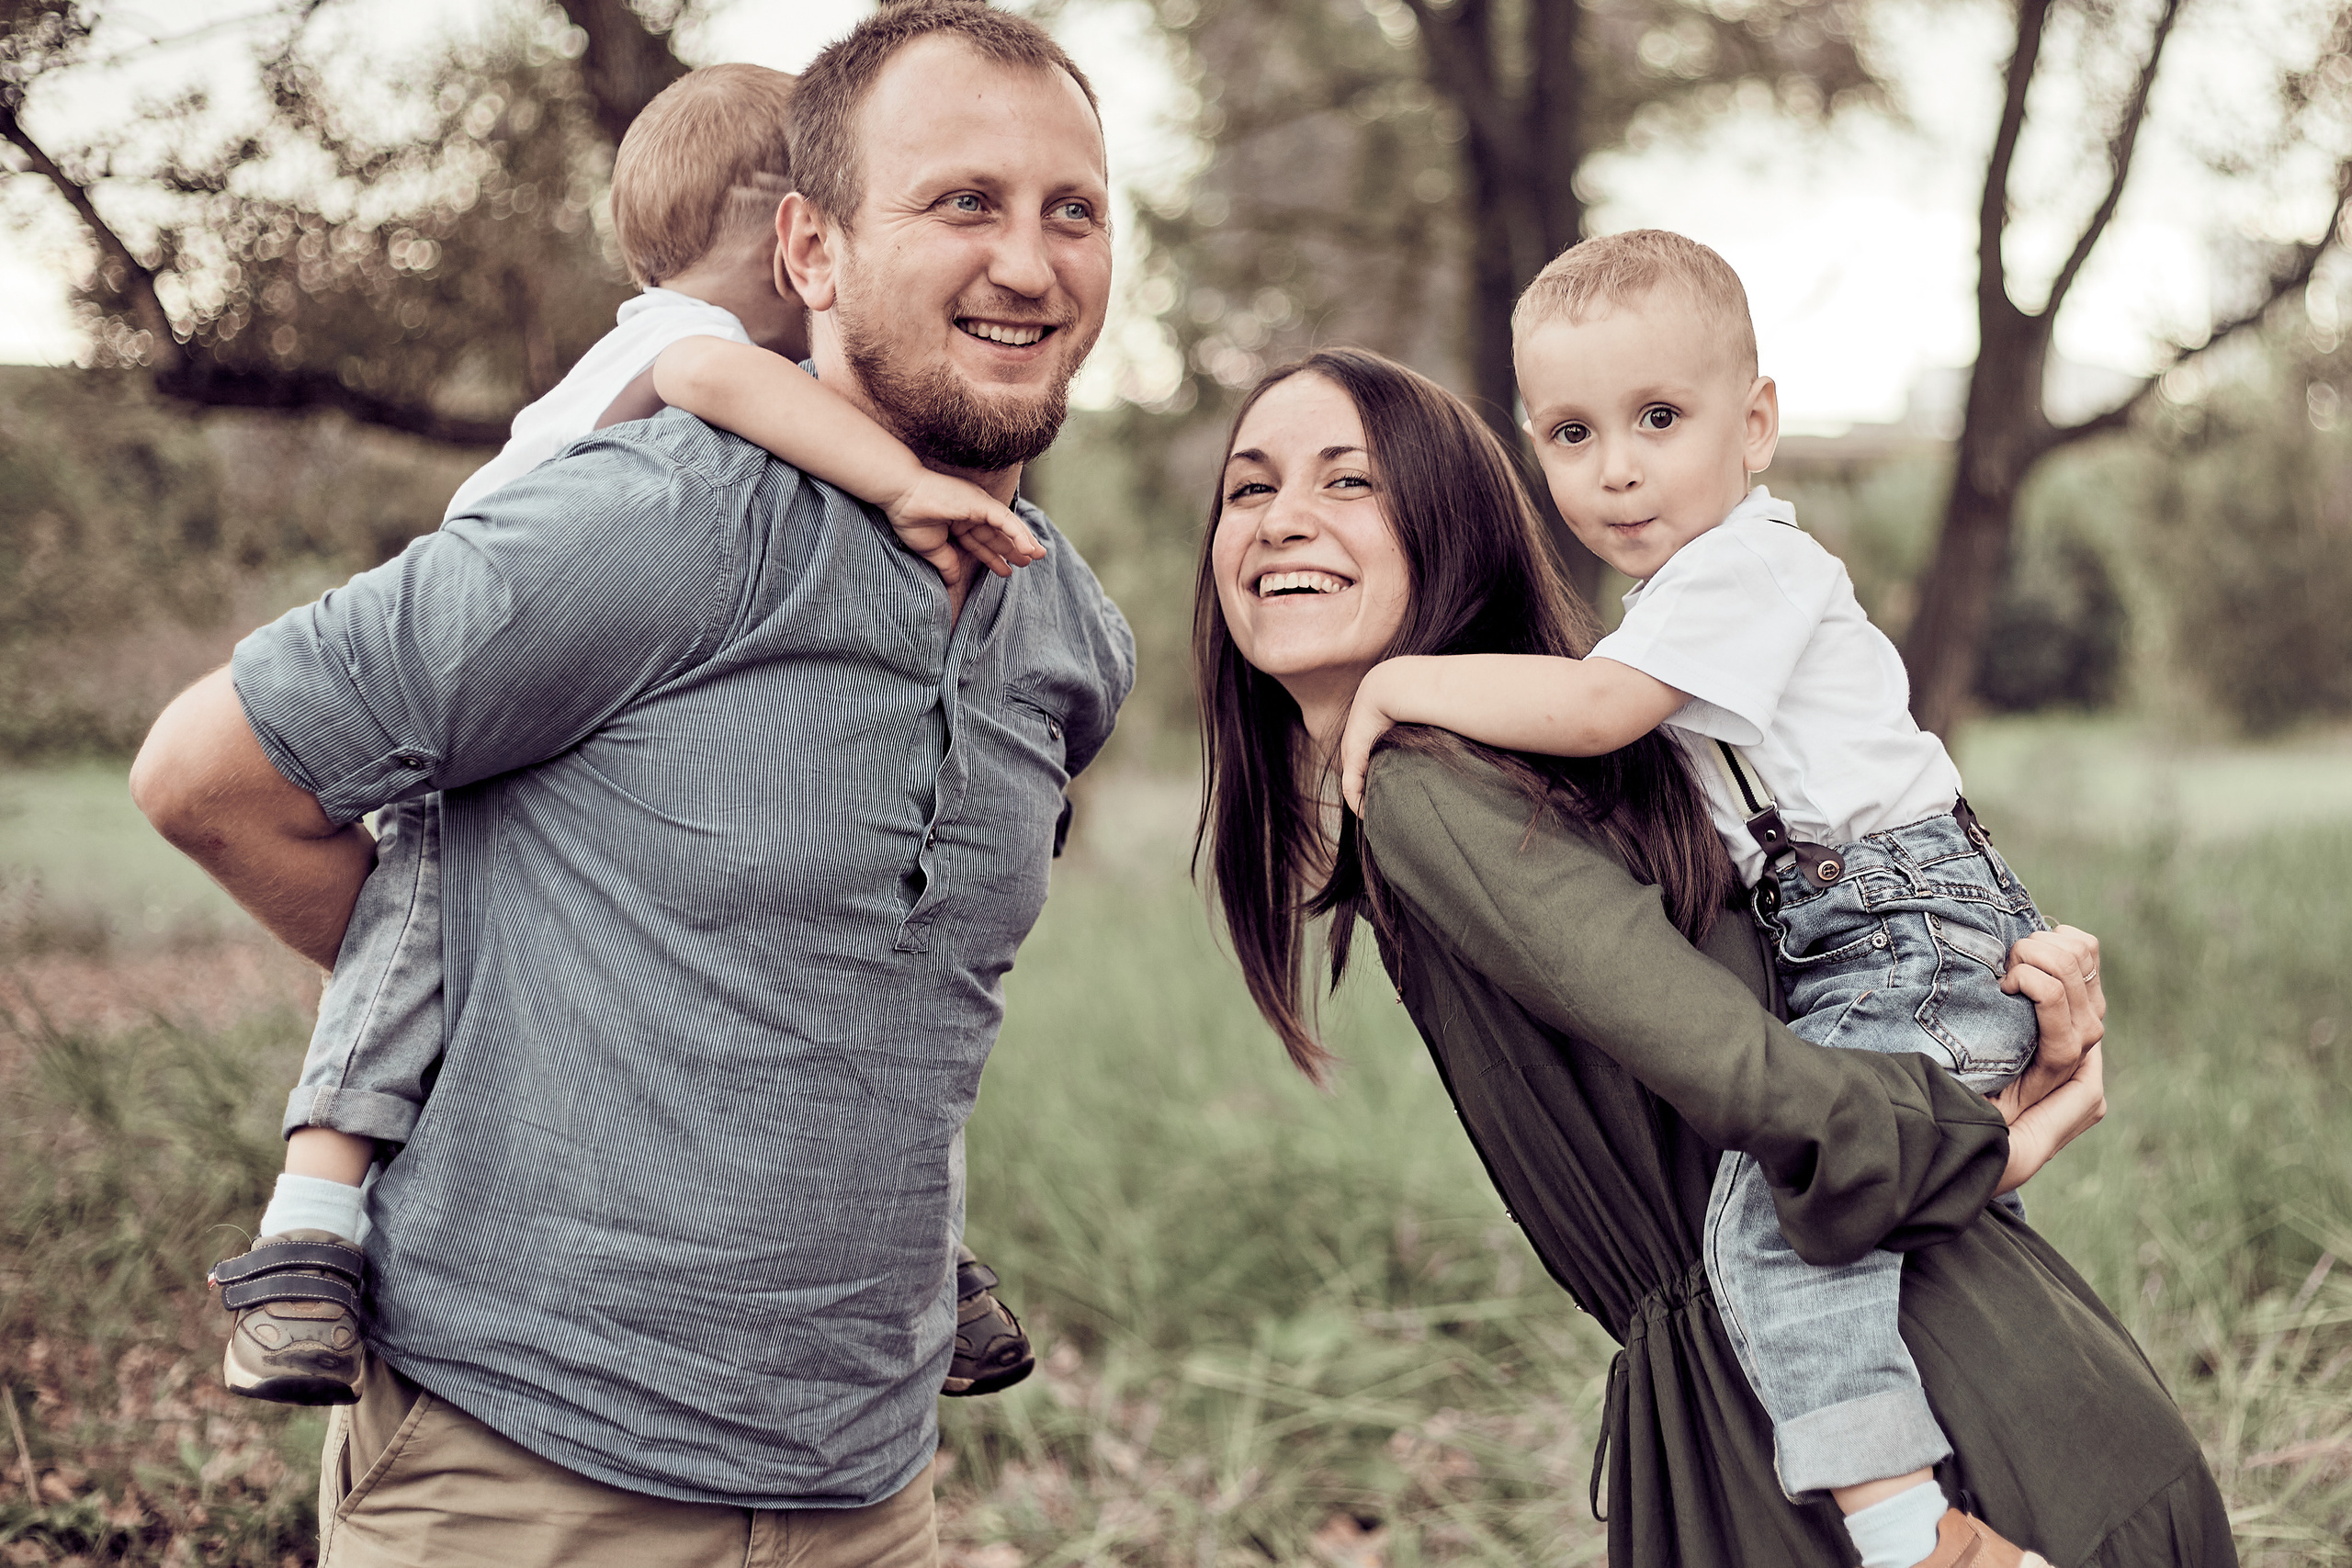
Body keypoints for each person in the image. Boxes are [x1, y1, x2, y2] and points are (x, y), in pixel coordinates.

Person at [130, 5, 1132, 1562]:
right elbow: (208, 776)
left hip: (874, 1493)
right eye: (962, 202)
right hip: (527, 1480)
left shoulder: (1072, 634)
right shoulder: (660, 518)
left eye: (1072, 209)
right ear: (809, 250)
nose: (1029, 261)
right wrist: (502, 1012)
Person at [1195, 346, 2234, 1566]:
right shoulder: (1563, 778)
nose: (1283, 520)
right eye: (1249, 487)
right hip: (1986, 1391)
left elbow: (1760, 1074)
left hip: (1938, 1438)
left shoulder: (1429, 787)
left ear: (1455, 528)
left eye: (1348, 481)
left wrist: (1987, 1139)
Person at [1333, 230, 2057, 1564]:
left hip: (1907, 934)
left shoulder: (1744, 572)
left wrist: (1397, 683)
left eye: (1659, 418)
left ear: (1757, 424)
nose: (1616, 467)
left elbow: (1596, 712)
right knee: (1872, 1219)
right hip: (1874, 934)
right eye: (1572, 433)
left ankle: (1919, 1534)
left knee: (1782, 1225)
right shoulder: (1681, 600)